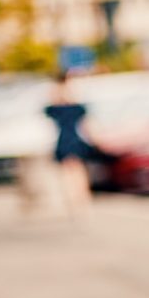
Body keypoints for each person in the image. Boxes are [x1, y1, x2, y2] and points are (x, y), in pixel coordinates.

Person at [44, 70, 94, 219]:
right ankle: (79, 199)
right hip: (70, 137)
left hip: (66, 137)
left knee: (72, 170)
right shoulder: (71, 101)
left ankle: (76, 199)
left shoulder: (58, 102)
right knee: (75, 170)